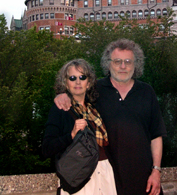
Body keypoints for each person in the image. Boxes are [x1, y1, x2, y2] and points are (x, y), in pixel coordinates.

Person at [55, 39, 167, 195]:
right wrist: (63, 95)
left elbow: (156, 135)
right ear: (108, 64)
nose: (123, 66)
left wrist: (156, 171)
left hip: (144, 179)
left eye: (128, 61)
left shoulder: (146, 92)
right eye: (117, 61)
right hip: (110, 182)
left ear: (136, 65)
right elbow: (75, 93)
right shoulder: (95, 90)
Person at [43, 59, 117, 195]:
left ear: (88, 83)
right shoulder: (61, 109)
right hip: (79, 177)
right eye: (72, 78)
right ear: (65, 83)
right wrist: (71, 135)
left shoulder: (96, 108)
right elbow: (47, 148)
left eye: (82, 77)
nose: (78, 82)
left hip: (105, 173)